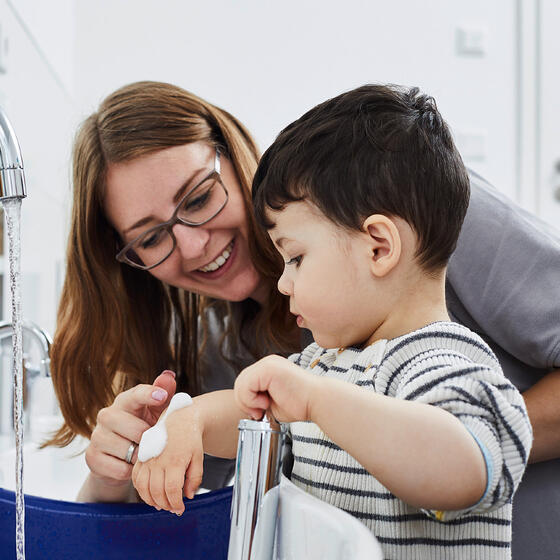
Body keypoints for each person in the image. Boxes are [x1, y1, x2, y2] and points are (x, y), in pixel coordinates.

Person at [44, 81, 560, 558]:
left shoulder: (417, 229)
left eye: (199, 198)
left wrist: (327, 412)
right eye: (152, 237)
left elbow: (468, 462)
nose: (194, 244)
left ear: (380, 246)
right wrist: (171, 430)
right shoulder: (316, 361)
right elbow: (246, 424)